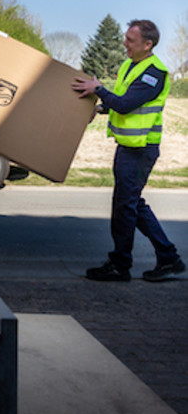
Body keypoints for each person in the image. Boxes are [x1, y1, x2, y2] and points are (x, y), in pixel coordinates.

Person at [71, 19, 184, 282]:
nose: (124, 44)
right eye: (126, 38)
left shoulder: (154, 73)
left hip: (140, 150)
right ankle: (168, 258)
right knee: (131, 203)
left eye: (130, 41)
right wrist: (100, 107)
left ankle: (120, 264)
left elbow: (125, 104)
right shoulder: (129, 65)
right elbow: (120, 101)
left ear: (148, 44)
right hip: (128, 147)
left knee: (125, 206)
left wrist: (98, 90)